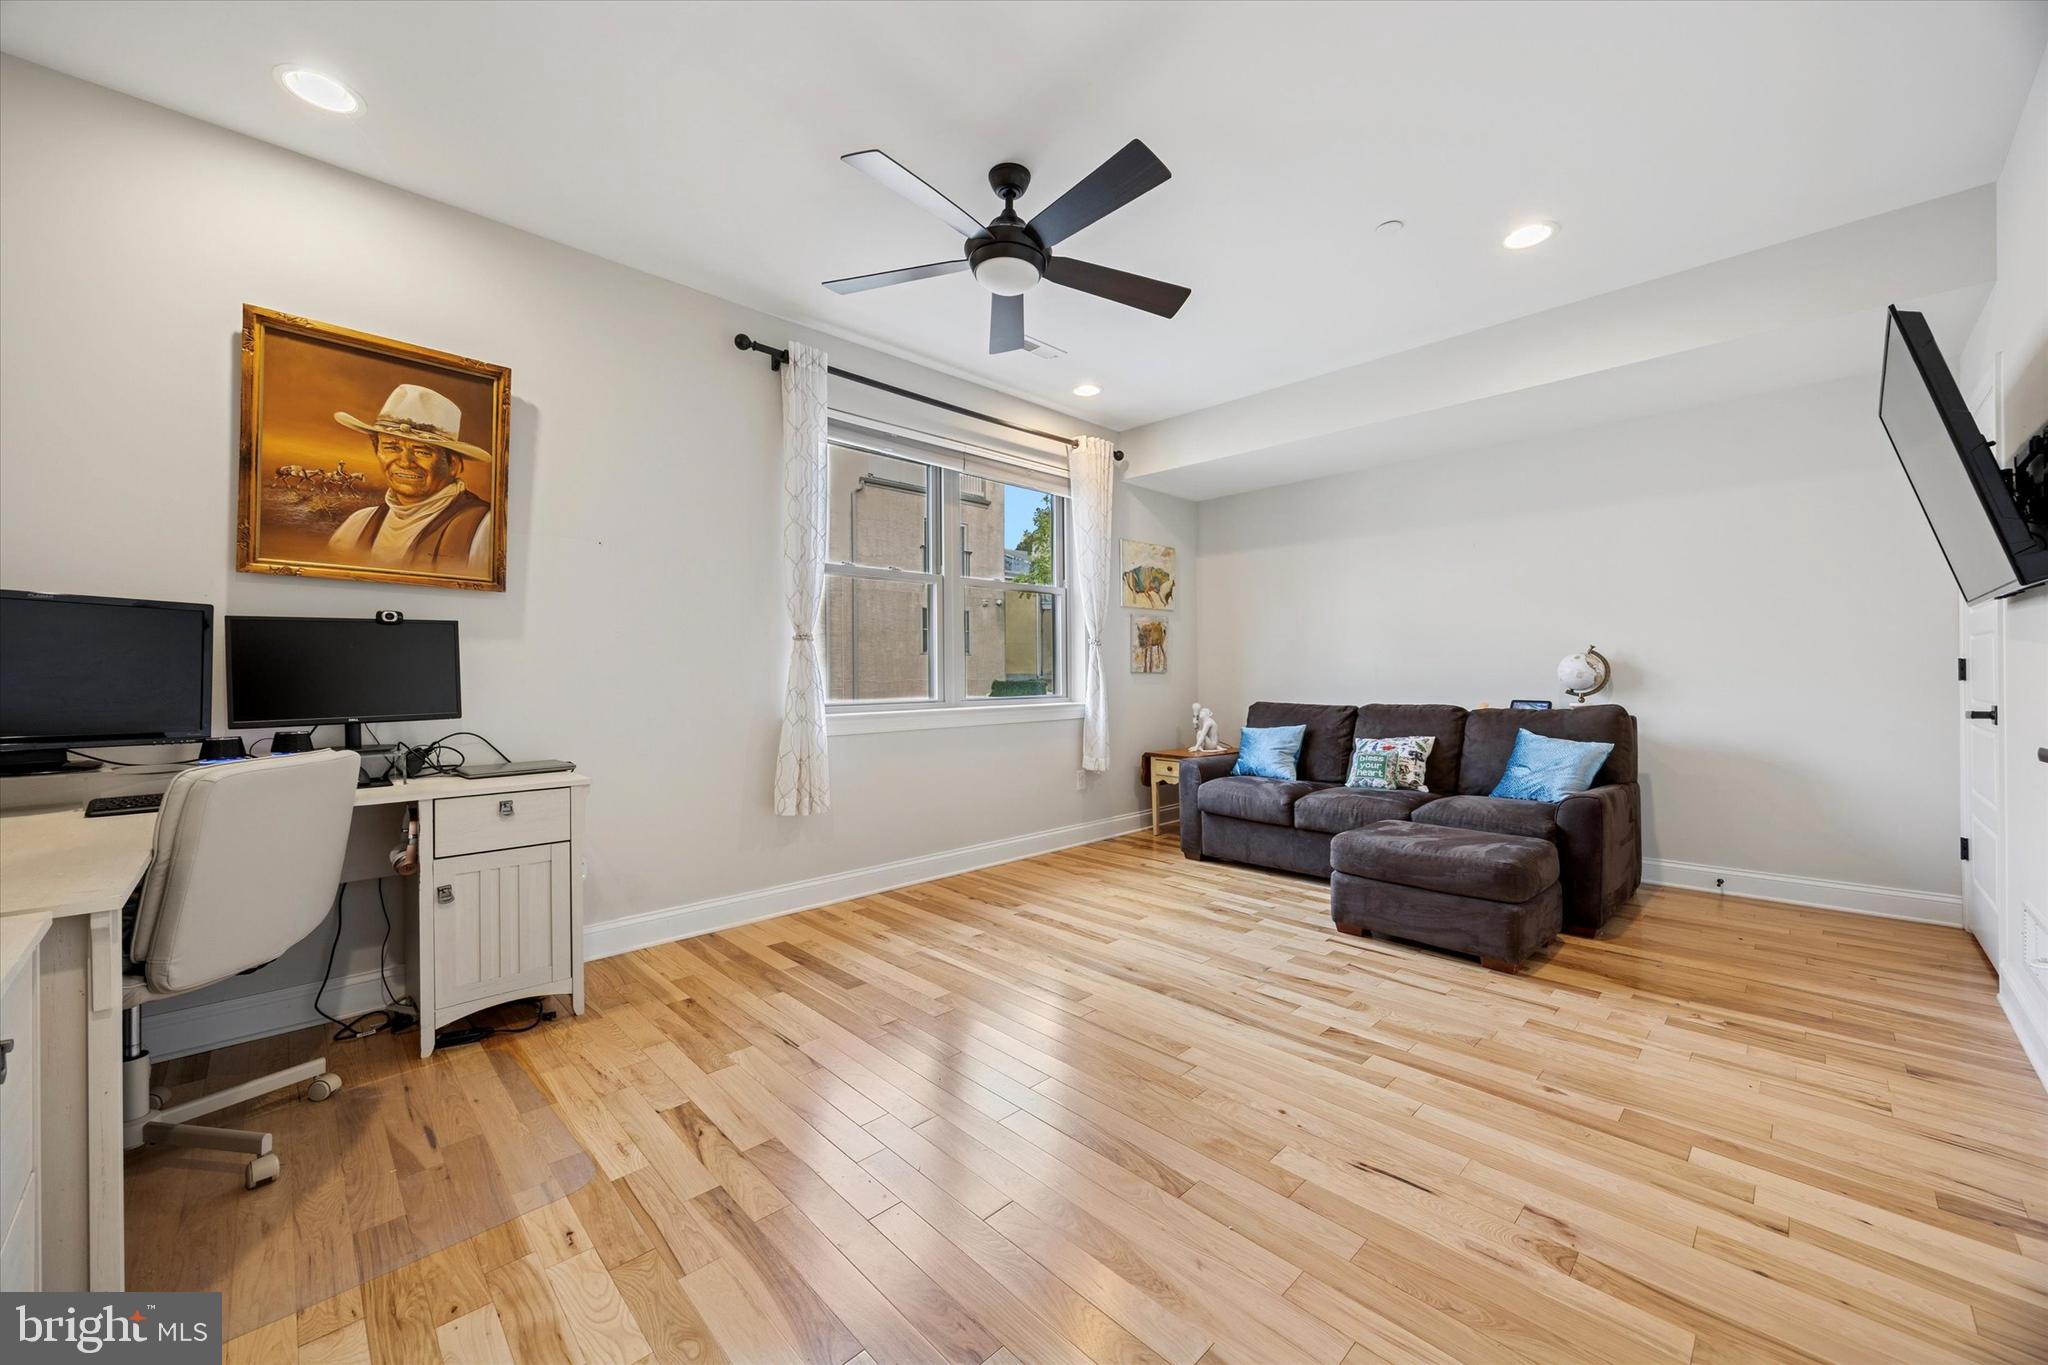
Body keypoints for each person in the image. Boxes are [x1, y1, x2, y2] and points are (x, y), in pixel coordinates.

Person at [326, 384, 493, 578]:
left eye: (422, 451)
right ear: (377, 451)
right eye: (390, 447)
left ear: (453, 464)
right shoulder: (357, 525)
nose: (405, 462)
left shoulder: (484, 528)